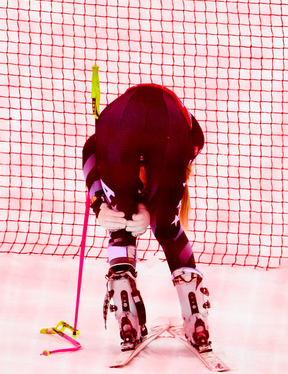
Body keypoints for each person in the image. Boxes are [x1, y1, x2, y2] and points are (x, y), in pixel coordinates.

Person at [81, 83, 210, 351]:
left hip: (116, 123)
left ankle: (125, 306)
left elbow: (89, 148)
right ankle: (195, 313)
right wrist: (152, 211)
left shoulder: (113, 129)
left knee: (121, 222)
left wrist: (100, 204)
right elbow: (167, 183)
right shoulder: (192, 137)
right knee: (167, 227)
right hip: (170, 125)